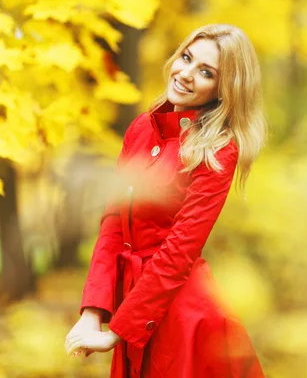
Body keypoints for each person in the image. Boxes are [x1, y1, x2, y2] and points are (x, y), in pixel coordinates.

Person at [64, 24, 266, 378]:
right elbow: (113, 223)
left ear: (223, 90)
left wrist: (117, 330)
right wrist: (92, 312)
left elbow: (180, 250)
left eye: (206, 72)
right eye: (186, 58)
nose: (186, 74)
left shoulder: (219, 150)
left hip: (183, 318)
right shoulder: (142, 128)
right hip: (134, 306)